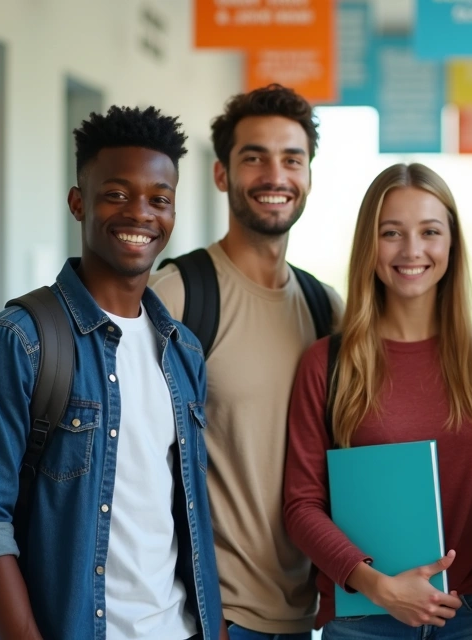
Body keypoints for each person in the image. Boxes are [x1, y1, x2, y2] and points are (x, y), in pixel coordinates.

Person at [0, 106, 226, 640]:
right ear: (78, 202)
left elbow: (188, 517)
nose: (140, 213)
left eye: (159, 199)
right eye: (116, 193)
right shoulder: (17, 343)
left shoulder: (183, 351)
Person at [150, 84, 343, 639]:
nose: (274, 175)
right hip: (213, 614)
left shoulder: (326, 309)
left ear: (309, 177)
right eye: (254, 157)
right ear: (221, 174)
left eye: (292, 159)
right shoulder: (178, 295)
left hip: (304, 612)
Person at [283, 163, 472, 639]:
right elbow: (301, 506)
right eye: (391, 233)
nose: (411, 250)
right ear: (370, 244)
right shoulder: (327, 363)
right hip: (364, 617)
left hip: (469, 616)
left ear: (452, 244)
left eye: (430, 232)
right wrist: (378, 587)